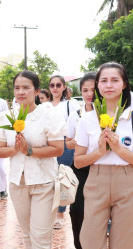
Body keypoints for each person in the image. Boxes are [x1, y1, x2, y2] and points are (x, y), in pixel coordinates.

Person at [75, 62, 133, 249]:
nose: (109, 85)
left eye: (115, 80)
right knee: (90, 243)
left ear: (124, 84)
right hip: (96, 180)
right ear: (97, 86)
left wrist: (119, 149)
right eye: (104, 80)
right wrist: (100, 151)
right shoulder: (87, 120)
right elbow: (79, 161)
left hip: (128, 182)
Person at [0, 70, 65, 249]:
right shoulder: (6, 117)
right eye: (17, 87)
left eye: (26, 87)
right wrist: (16, 149)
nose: (21, 92)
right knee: (27, 234)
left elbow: (58, 149)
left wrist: (29, 150)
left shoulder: (49, 114)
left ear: (36, 90)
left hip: (44, 181)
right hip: (18, 182)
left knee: (41, 235)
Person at [65, 72, 96, 249]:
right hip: (81, 167)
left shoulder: (109, 114)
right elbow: (67, 143)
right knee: (76, 209)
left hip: (102, 168)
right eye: (85, 90)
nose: (89, 94)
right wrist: (80, 140)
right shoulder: (76, 115)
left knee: (101, 212)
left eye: (93, 90)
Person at [48, 75, 80, 229]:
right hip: (48, 144)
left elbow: (76, 125)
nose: (55, 88)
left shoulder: (70, 105)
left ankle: (60, 213)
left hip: (65, 144)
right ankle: (49, 211)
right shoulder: (44, 105)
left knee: (62, 177)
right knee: (49, 177)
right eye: (52, 85)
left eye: (58, 85)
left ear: (63, 87)